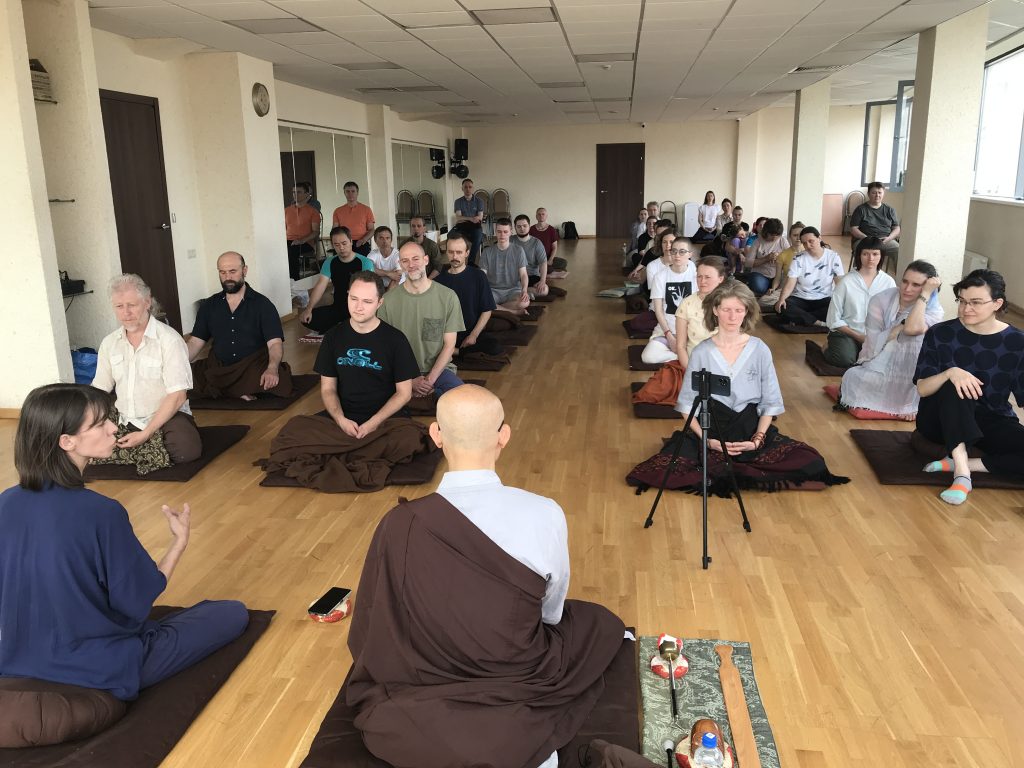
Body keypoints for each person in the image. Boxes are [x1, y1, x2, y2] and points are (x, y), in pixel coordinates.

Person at [345, 385, 625, 768]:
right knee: (597, 623)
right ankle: (515, 731)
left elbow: (376, 612)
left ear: (436, 435)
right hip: (516, 668)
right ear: (503, 436)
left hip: (424, 670)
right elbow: (551, 613)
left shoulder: (400, 523)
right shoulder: (544, 513)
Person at [0, 383, 248, 700]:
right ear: (66, 441)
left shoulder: (5, 502)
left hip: (17, 657)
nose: (113, 428)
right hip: (100, 665)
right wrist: (178, 543)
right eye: (99, 424)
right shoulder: (101, 512)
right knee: (230, 613)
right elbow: (136, 603)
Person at [628, 282, 849, 496]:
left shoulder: (760, 349)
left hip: (749, 429)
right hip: (711, 428)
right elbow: (687, 406)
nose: (732, 317)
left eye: (739, 310)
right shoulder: (702, 352)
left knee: (812, 462)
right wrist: (707, 441)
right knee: (663, 471)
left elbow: (770, 402)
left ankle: (739, 463)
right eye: (726, 310)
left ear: (747, 312)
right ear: (715, 310)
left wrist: (757, 440)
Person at [914, 269, 1024, 504]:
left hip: (990, 419)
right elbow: (922, 388)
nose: (966, 309)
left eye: (975, 302)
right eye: (962, 301)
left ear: (997, 304)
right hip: (939, 419)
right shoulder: (940, 333)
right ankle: (962, 475)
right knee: (955, 384)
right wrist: (949, 373)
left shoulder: (1018, 342)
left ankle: (964, 463)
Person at [92, 274, 201, 467]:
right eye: (119, 306)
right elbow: (99, 389)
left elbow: (178, 395)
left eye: (132, 305)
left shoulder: (170, 340)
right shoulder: (109, 343)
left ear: (147, 302)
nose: (126, 313)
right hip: (124, 417)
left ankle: (142, 443)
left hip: (166, 416)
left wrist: (147, 432)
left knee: (186, 451)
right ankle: (146, 447)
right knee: (86, 441)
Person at [313, 271, 419, 438]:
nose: (358, 307)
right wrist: (340, 419)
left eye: (367, 301)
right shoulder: (332, 337)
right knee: (293, 434)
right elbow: (328, 389)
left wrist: (374, 423)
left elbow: (404, 393)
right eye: (353, 299)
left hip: (386, 418)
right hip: (344, 416)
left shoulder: (396, 340)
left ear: (379, 303)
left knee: (408, 441)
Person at [839, 260, 943, 418]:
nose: (907, 289)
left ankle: (909, 403)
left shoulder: (933, 308)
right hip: (880, 358)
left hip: (912, 371)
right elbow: (873, 340)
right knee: (853, 377)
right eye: (905, 281)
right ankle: (901, 400)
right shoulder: (881, 300)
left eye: (916, 285)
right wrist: (895, 331)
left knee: (915, 337)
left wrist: (925, 296)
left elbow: (913, 328)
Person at [186, 251, 294, 401]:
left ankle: (226, 390)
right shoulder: (209, 306)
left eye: (232, 271)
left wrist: (272, 368)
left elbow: (275, 343)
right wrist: (177, 364)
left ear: (244, 270)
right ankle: (238, 391)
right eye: (222, 272)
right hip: (219, 367)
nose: (227, 277)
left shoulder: (263, 305)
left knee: (280, 383)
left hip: (251, 366)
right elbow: (195, 342)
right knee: (185, 377)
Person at [378, 242, 465, 396]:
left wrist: (430, 380)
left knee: (463, 400)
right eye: (405, 261)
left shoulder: (448, 297)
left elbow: (449, 345)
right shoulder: (387, 301)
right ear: (400, 264)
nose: (411, 265)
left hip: (439, 371)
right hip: (399, 373)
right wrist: (409, 380)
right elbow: (384, 349)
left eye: (415, 259)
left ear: (426, 260)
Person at [821, 236, 896, 366]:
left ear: (881, 256)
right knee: (844, 359)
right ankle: (828, 348)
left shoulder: (888, 282)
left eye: (875, 254)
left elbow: (892, 316)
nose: (870, 258)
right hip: (847, 333)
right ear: (859, 256)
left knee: (884, 362)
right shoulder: (846, 281)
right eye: (865, 254)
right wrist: (859, 337)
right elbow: (833, 319)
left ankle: (858, 352)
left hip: (877, 336)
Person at [434, 231, 502, 357]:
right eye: (451, 252)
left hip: (471, 331)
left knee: (494, 347)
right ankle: (457, 352)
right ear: (446, 252)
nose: (454, 256)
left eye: (459, 252)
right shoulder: (438, 282)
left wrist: (473, 335)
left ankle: (454, 352)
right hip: (447, 335)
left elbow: (487, 310)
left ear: (467, 253)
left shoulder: (478, 276)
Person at [299, 226, 375, 336]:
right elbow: (320, 286)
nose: (341, 248)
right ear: (333, 245)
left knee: (362, 323)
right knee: (307, 319)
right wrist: (309, 308)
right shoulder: (330, 262)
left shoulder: (365, 262)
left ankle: (341, 327)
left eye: (344, 243)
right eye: (337, 245)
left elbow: (370, 290)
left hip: (358, 309)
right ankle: (342, 327)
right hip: (338, 308)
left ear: (351, 242)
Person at [641, 237, 696, 365]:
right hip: (666, 330)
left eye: (682, 251)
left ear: (690, 254)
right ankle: (681, 356)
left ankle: (683, 355)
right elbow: (658, 310)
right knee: (647, 357)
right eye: (674, 251)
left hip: (691, 331)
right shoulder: (660, 277)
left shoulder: (696, 275)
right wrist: (669, 336)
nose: (677, 255)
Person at [775, 226, 844, 326]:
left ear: (819, 238)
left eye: (811, 241)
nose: (808, 245)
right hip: (801, 298)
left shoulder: (833, 257)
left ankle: (802, 319)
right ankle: (817, 322)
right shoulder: (798, 258)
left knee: (840, 308)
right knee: (781, 307)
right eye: (804, 243)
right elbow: (790, 284)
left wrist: (844, 301)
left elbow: (840, 282)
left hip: (824, 298)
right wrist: (781, 299)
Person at [674, 256, 728, 369]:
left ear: (720, 278)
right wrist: (691, 371)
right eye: (699, 276)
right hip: (695, 364)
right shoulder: (687, 303)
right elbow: (680, 346)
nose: (702, 281)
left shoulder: (730, 304)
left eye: (707, 277)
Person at [479, 217, 530, 314]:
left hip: (513, 290)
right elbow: (482, 276)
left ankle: (494, 309)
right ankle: (513, 312)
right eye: (499, 232)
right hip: (493, 290)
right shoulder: (487, 252)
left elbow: (523, 274)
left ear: (511, 232)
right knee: (478, 301)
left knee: (524, 303)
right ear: (495, 232)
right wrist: (481, 291)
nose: (502, 235)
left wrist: (524, 290)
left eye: (505, 232)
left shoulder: (519, 250)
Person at [285, 181, 321, 308]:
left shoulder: (313, 212)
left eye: (299, 192)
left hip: (305, 243)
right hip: (288, 241)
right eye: (294, 192)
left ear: (306, 194)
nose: (295, 195)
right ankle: (286, 286)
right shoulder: (287, 210)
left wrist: (302, 240)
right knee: (279, 252)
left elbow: (315, 232)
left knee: (291, 253)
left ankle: (295, 288)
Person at [850, 181, 900, 264]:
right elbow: (853, 228)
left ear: (883, 193)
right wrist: (866, 238)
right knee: (862, 250)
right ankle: (859, 271)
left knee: (898, 249)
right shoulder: (860, 209)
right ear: (868, 194)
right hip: (865, 240)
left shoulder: (890, 210)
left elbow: (896, 228)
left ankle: (899, 272)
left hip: (885, 240)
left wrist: (889, 238)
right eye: (874, 193)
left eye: (880, 192)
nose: (877, 195)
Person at [740, 218, 787, 296]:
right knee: (758, 285)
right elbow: (748, 263)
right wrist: (766, 258)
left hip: (778, 275)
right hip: (761, 274)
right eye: (772, 235)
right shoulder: (758, 241)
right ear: (766, 232)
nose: (774, 238)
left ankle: (771, 290)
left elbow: (790, 258)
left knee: (787, 282)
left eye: (777, 236)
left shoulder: (783, 241)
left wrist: (779, 257)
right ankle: (769, 291)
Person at [331, 181, 375, 256]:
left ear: (357, 193)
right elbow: (334, 230)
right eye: (347, 191)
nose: (350, 194)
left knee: (362, 262)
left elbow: (372, 230)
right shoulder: (338, 211)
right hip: (343, 242)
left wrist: (363, 240)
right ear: (344, 193)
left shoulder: (366, 209)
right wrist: (335, 243)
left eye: (353, 191)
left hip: (360, 243)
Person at [514, 214, 549, 297]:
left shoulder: (537, 243)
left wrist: (542, 281)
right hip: (514, 276)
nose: (522, 228)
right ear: (515, 228)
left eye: (524, 226)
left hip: (531, 275)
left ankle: (517, 292)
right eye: (519, 226)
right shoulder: (510, 241)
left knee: (544, 290)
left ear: (529, 226)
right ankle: (523, 292)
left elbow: (543, 263)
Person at [453, 178, 485, 265]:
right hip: (462, 226)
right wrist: (471, 219)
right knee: (451, 236)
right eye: (465, 187)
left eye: (470, 187)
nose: (468, 189)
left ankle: (471, 261)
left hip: (475, 226)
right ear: (462, 188)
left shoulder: (479, 201)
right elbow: (458, 217)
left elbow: (480, 217)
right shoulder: (458, 201)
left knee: (478, 237)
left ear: (473, 188)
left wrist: (465, 218)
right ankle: (457, 260)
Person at [530, 207, 563, 274]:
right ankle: (542, 269)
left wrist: (551, 259)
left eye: (543, 214)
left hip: (547, 258)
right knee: (548, 269)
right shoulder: (531, 229)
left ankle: (541, 269)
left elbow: (554, 247)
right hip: (535, 259)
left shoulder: (552, 230)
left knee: (563, 262)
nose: (541, 216)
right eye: (539, 214)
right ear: (536, 216)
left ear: (546, 216)